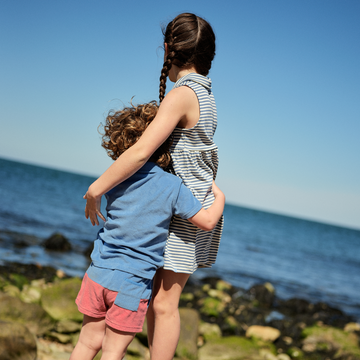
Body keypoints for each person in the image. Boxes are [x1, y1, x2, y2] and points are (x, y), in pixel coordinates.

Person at [83, 13, 222, 360]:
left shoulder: (183, 94)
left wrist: (97, 188)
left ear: (168, 50)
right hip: (186, 206)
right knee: (157, 299)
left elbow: (142, 149)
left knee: (163, 303)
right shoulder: (207, 96)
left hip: (182, 211)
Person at [70, 101, 225, 360]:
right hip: (131, 284)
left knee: (86, 344)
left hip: (97, 274)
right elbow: (208, 221)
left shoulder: (115, 178)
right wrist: (219, 197)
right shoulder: (173, 186)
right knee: (112, 350)